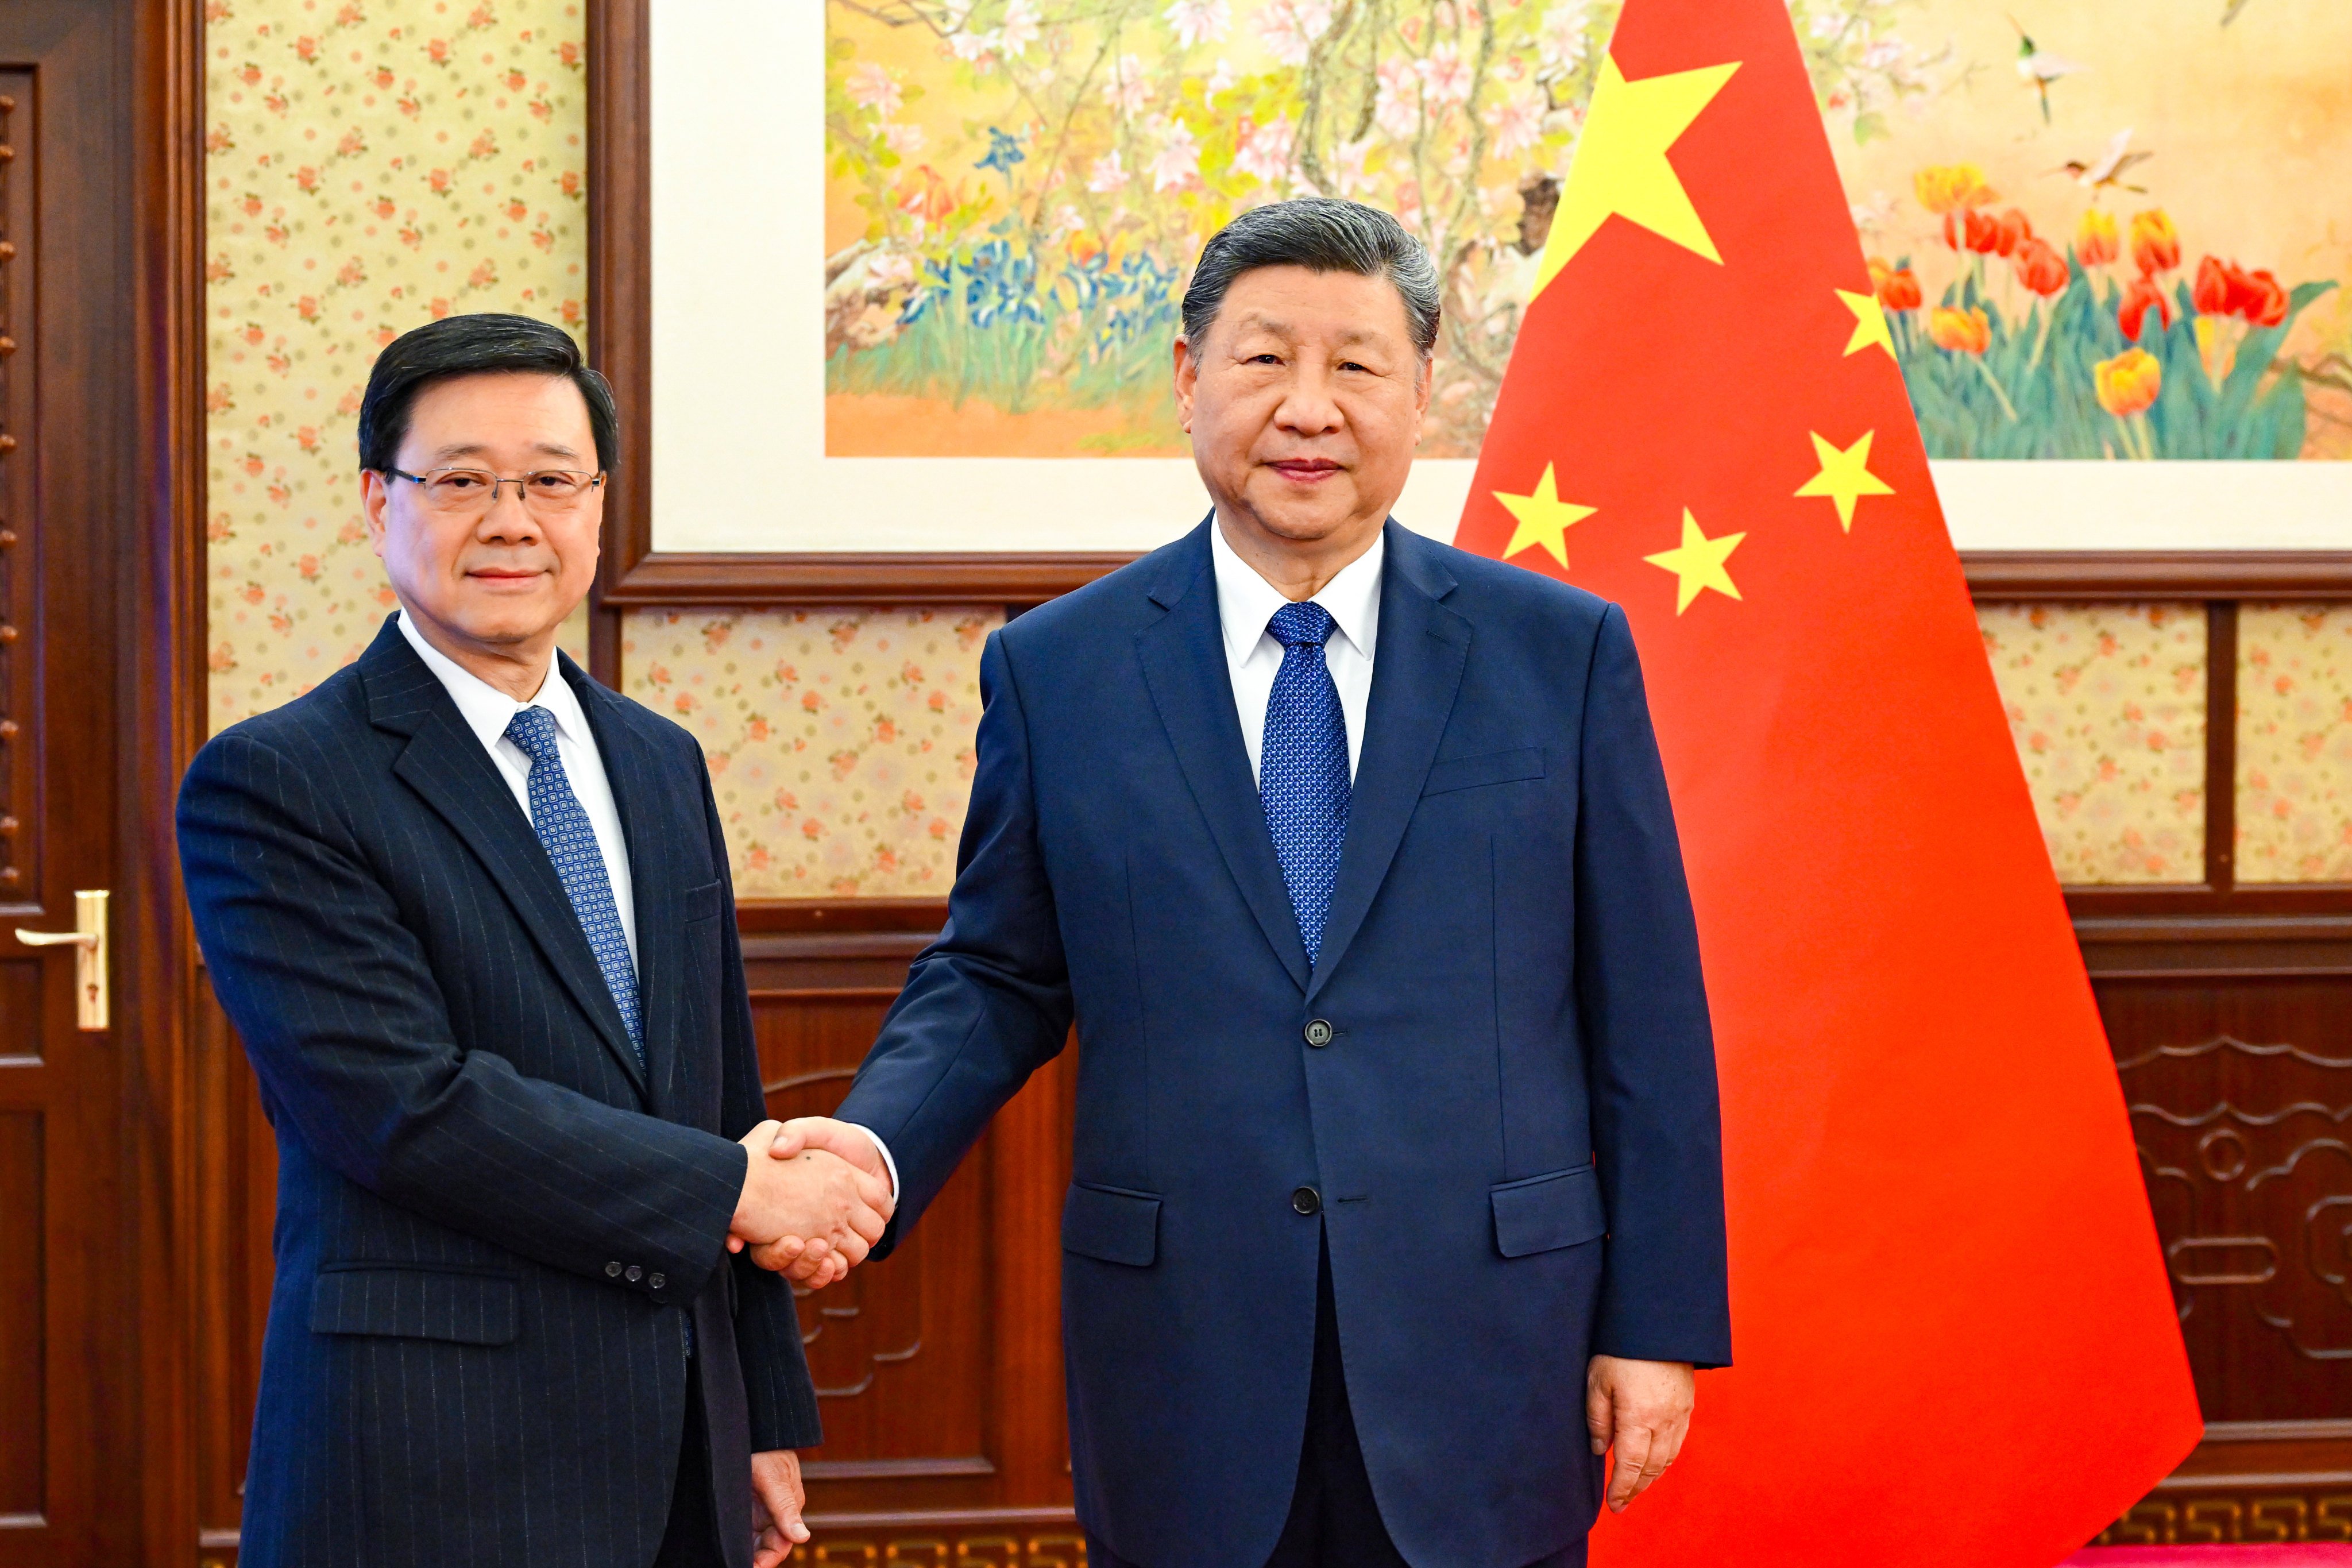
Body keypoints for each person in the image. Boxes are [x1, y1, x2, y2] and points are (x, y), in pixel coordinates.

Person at [773, 198, 1732, 1567]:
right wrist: (869, 1151)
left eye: (1355, 366)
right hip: (1185, 1345)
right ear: (1185, 382)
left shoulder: (1557, 655)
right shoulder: (1059, 669)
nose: (1307, 408)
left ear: (1423, 394)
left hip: (1489, 1341)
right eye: (1262, 359)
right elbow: (995, 972)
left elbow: (1644, 1005)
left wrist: (1654, 1325)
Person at [176, 314, 891, 1568]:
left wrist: (760, 1415)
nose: (511, 520)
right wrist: (742, 1189)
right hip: (429, 1454)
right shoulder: (279, 781)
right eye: (459, 481)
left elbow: (719, 1087)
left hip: (677, 1440)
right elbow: (403, 1107)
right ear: (375, 503)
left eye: (550, 481)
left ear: (597, 509)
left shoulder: (658, 762)